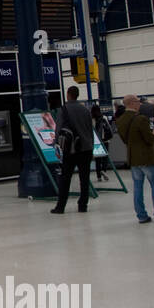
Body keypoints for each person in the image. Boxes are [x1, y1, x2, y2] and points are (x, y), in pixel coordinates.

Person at [115, 93, 154, 224]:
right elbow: (149, 139)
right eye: (137, 101)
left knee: (137, 188)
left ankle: (141, 215)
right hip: (147, 157)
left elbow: (125, 140)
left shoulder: (120, 121)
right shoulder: (141, 119)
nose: (139, 104)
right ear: (131, 103)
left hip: (133, 158)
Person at [51, 86, 94, 214]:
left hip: (70, 149)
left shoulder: (63, 110)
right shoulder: (85, 110)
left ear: (68, 94)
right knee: (84, 178)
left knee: (65, 178)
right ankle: (83, 205)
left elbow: (58, 129)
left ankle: (61, 206)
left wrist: (56, 145)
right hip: (85, 148)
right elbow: (90, 130)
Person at [90, 104, 112, 181]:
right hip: (105, 140)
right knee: (105, 157)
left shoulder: (91, 119)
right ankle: (104, 170)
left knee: (98, 159)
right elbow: (109, 128)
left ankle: (98, 176)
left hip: (96, 141)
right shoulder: (104, 117)